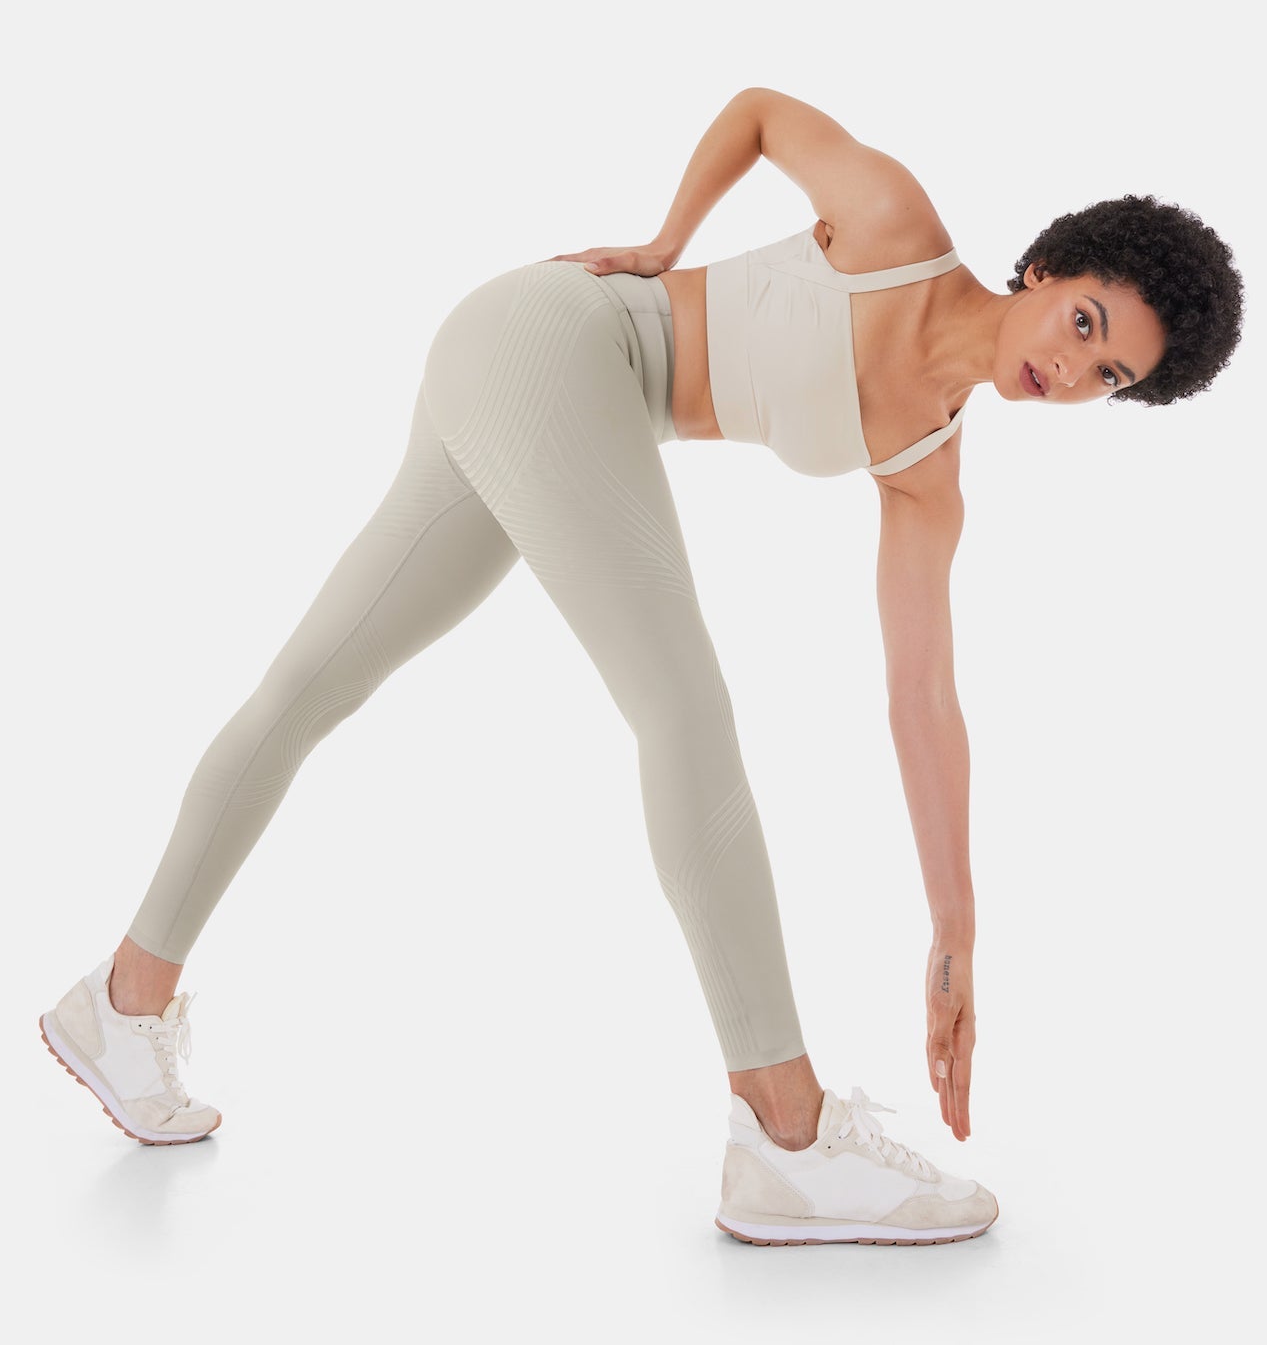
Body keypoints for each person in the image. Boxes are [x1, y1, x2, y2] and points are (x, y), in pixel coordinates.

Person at [40, 88, 1243, 1246]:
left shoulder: (928, 469)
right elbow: (763, 109)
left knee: (313, 684)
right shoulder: (893, 223)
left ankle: (122, 1000)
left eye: (1109, 377)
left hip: (531, 381)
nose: (1072, 370)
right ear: (1046, 269)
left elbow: (921, 695)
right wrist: (667, 242)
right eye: (1084, 324)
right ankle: (785, 1131)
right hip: (559, 341)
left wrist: (954, 924)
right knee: (684, 712)